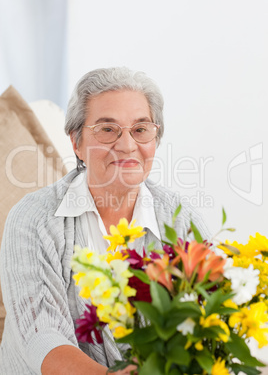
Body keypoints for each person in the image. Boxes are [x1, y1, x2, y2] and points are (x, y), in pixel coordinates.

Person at [0, 67, 209, 374]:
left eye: (140, 130)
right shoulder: (32, 218)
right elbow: (40, 335)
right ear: (76, 142)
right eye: (108, 130)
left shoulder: (181, 220)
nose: (127, 145)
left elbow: (206, 317)